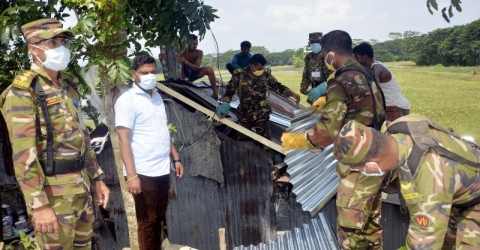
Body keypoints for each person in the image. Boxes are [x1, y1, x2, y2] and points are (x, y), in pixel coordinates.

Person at [0, 19, 110, 249]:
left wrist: (97, 178)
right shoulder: (22, 92)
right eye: (52, 42)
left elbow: (82, 136)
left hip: (81, 190)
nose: (61, 47)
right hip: (53, 197)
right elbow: (23, 155)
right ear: (33, 49)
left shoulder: (67, 85)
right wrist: (39, 206)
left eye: (63, 41)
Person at [280, 30, 386, 249]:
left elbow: (326, 134)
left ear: (329, 55)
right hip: (377, 160)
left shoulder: (341, 81)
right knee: (371, 230)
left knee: (351, 234)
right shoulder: (365, 73)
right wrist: (328, 102)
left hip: (357, 166)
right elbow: (366, 111)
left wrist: (297, 141)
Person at [332, 115, 480, 249]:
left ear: (372, 166)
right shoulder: (397, 127)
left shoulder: (430, 185)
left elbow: (423, 243)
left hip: (474, 203)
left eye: (361, 170)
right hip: (453, 184)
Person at [115, 54, 184, 250]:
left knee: (159, 218)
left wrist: (176, 158)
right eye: (145, 73)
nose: (150, 76)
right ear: (134, 74)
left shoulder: (156, 97)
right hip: (143, 171)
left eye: (153, 72)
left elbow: (163, 130)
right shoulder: (127, 100)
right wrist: (131, 175)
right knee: (146, 221)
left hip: (162, 168)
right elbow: (123, 140)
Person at [216, 54, 300, 140]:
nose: (261, 70)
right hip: (244, 115)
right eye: (259, 68)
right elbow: (229, 93)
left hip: (262, 115)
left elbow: (278, 87)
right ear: (252, 66)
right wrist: (225, 104)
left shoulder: (265, 75)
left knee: (266, 143)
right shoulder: (239, 76)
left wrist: (292, 93)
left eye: (263, 68)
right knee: (242, 142)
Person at [353, 42, 410, 121]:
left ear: (364, 57)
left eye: (357, 58)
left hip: (395, 108)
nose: (355, 61)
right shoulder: (373, 66)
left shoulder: (377, 67)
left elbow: (374, 82)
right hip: (391, 108)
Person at [178, 34, 219, 99]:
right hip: (183, 76)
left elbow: (196, 67)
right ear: (188, 43)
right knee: (181, 62)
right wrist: (185, 79)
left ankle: (215, 93)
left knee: (209, 69)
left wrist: (185, 61)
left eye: (196, 44)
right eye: (193, 44)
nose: (195, 46)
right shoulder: (182, 52)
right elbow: (180, 67)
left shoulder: (199, 52)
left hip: (194, 73)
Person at [300, 32, 331, 107]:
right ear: (309, 43)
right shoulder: (308, 58)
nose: (314, 44)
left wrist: (322, 88)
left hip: (327, 91)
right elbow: (306, 75)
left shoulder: (327, 56)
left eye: (317, 42)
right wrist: (304, 85)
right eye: (312, 42)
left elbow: (334, 76)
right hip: (314, 91)